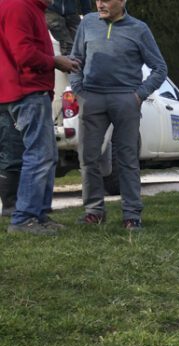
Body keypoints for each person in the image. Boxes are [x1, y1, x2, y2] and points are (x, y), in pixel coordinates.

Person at [70, 0, 166, 230]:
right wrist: (80, 91)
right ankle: (94, 211)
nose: (100, 4)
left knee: (127, 158)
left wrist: (138, 95)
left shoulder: (139, 29)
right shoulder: (88, 23)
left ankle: (132, 215)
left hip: (126, 99)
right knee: (88, 156)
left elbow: (160, 68)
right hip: (92, 98)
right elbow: (76, 60)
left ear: (122, 1)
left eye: (106, 0)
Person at [0, 0, 81, 234]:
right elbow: (23, 54)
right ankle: (24, 218)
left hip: (20, 90)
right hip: (26, 90)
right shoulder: (19, 6)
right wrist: (55, 61)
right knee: (39, 154)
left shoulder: (29, 7)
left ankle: (39, 214)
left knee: (46, 154)